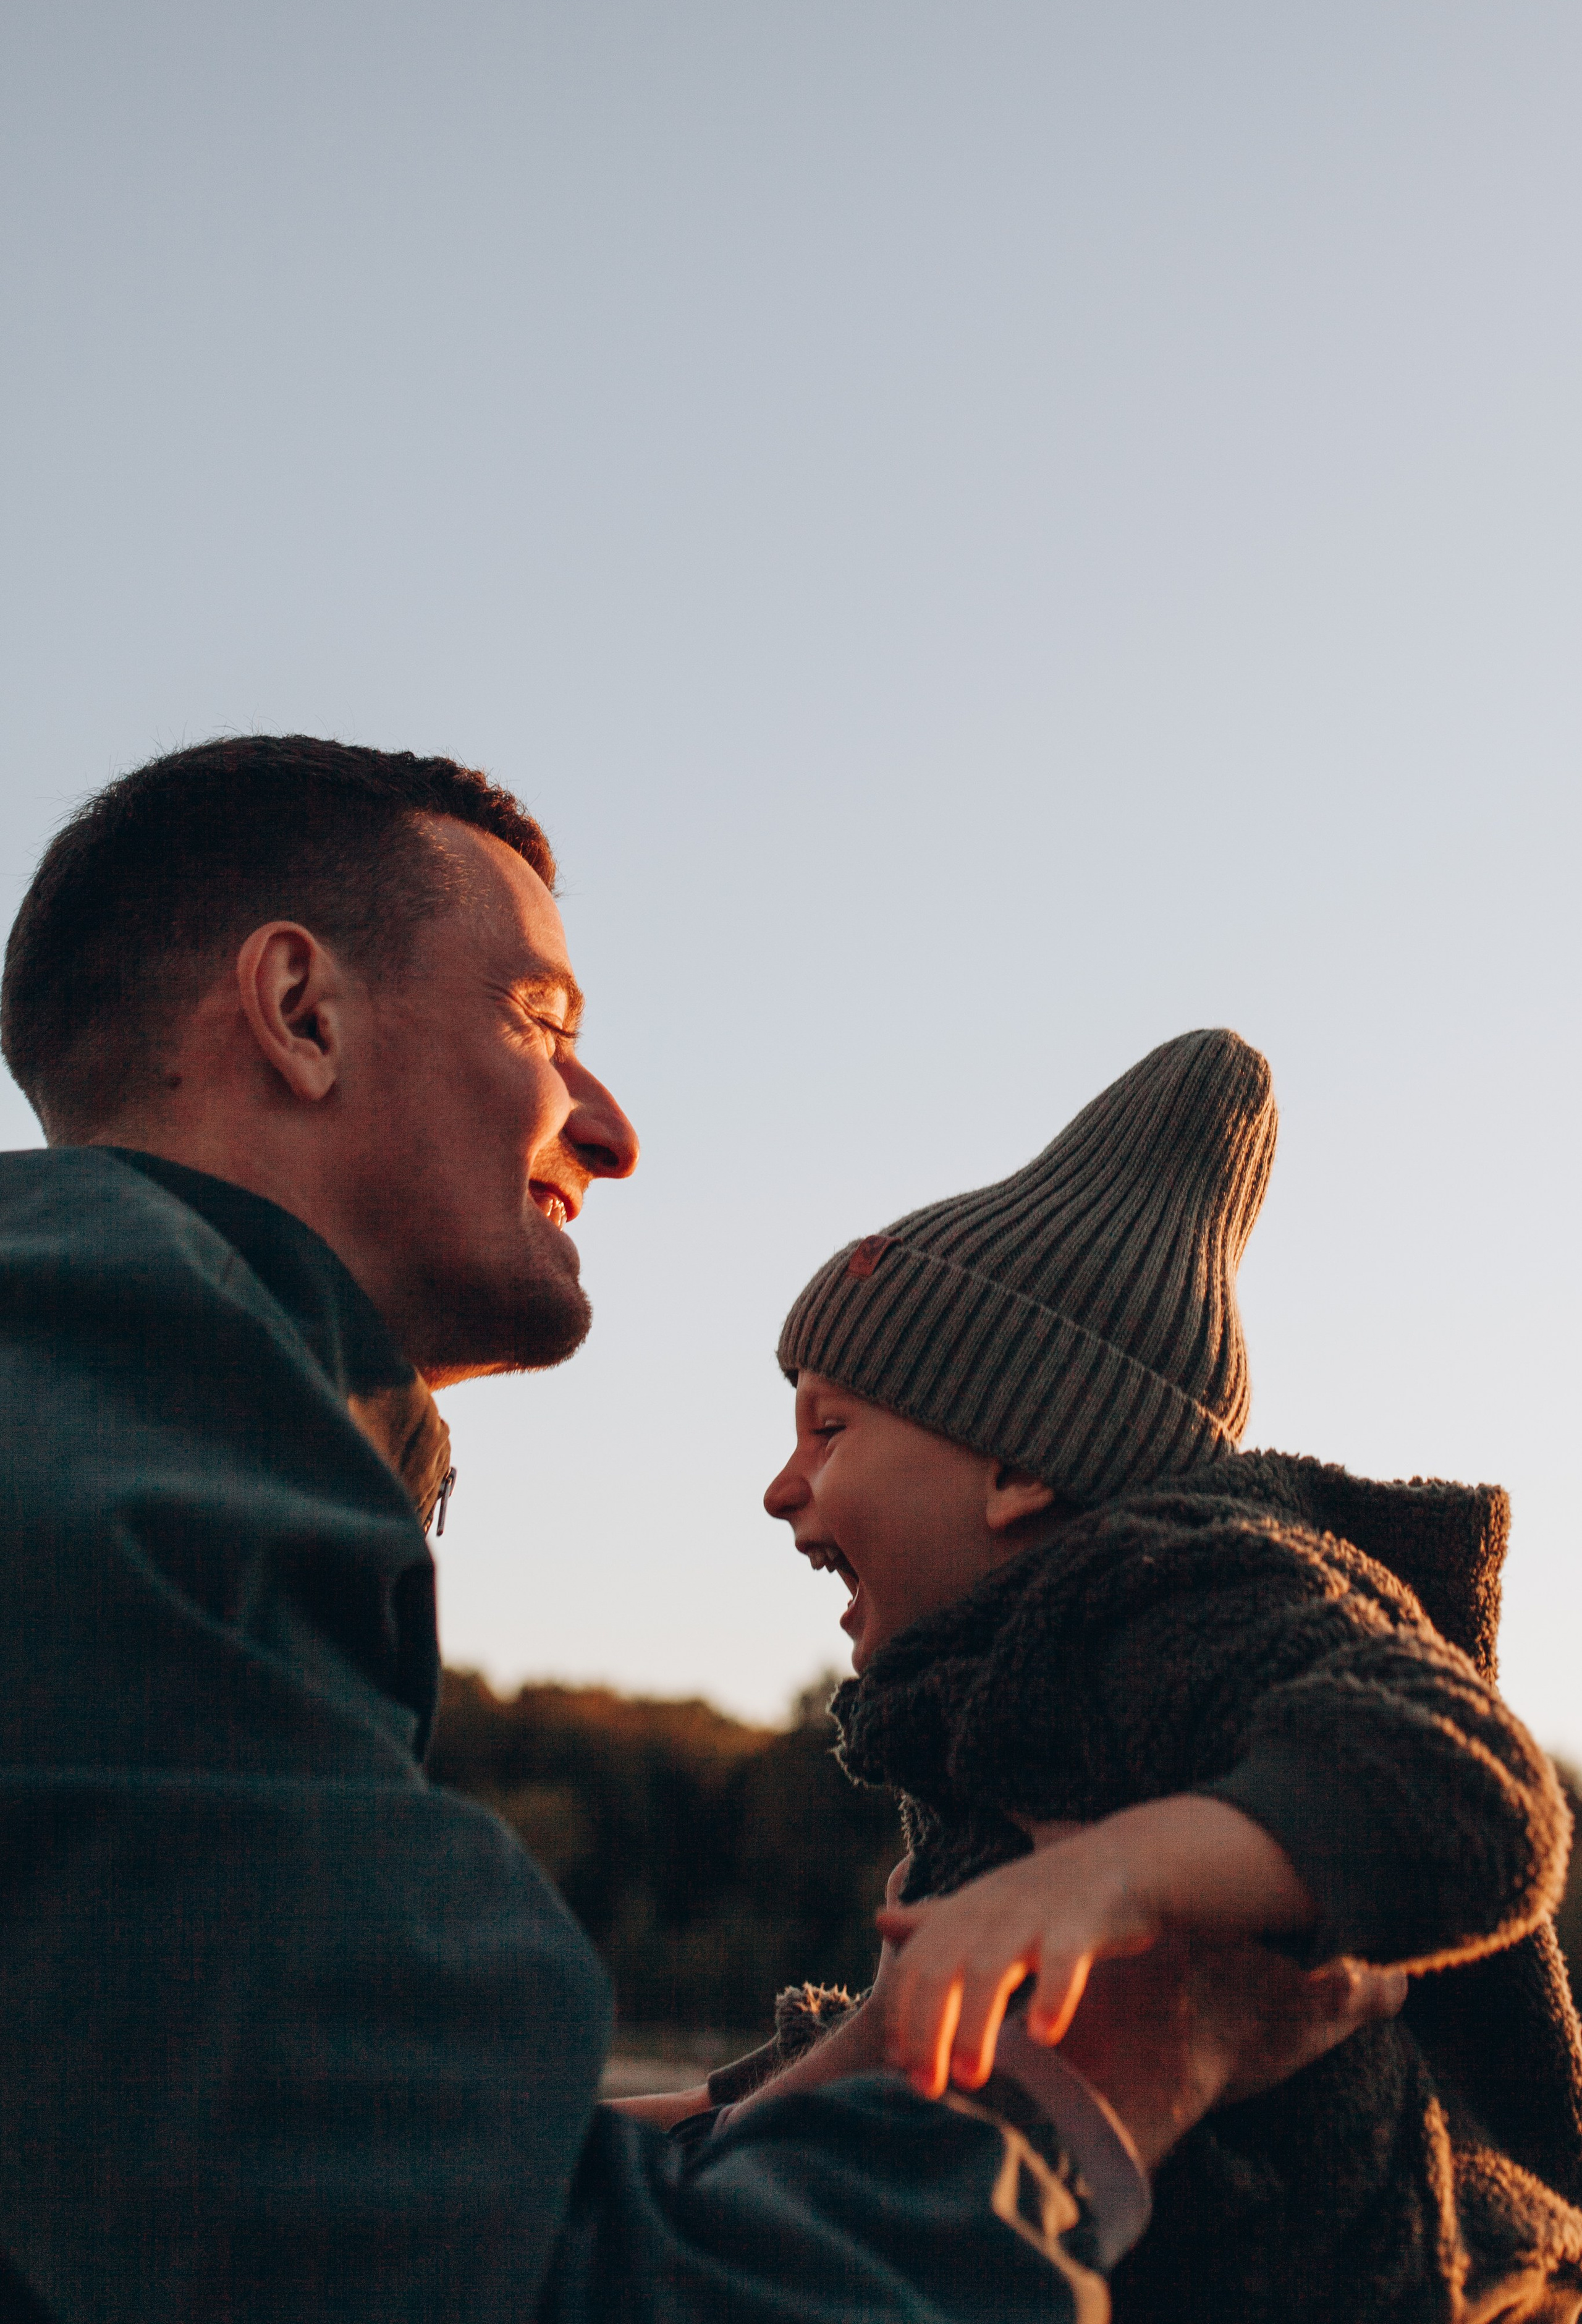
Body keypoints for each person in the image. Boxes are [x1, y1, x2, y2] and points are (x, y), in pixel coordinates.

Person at [0, 737, 1396, 2324]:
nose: (609, 1129)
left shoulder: (110, 1415)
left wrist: (832, 2082)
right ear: (302, 1015)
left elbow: (271, 2204)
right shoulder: (130, 1394)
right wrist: (1122, 2072)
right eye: (541, 1022)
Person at [719, 1030, 1582, 2324]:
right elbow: (937, 2040)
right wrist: (697, 2123)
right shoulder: (995, 1693)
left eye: (828, 1429)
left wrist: (1104, 1878)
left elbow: (1467, 1793)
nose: (781, 1487)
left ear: (1020, 1464)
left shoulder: (1186, 1590)